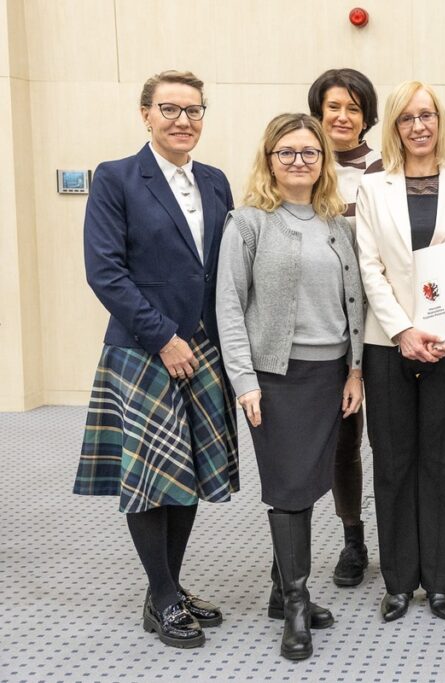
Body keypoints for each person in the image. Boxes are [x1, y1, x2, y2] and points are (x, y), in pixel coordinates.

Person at [74, 70, 238, 649]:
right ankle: (163, 596)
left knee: (185, 471)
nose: (183, 120)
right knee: (150, 476)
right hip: (146, 350)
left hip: (204, 348)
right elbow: (106, 272)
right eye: (169, 109)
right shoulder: (117, 178)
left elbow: (220, 272)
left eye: (194, 110)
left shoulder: (216, 182)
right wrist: (164, 337)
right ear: (145, 114)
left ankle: (167, 586)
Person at [216, 113, 365, 660]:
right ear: (269, 159)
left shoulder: (336, 224)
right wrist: (245, 380)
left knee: (308, 483)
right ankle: (297, 604)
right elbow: (229, 305)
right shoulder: (249, 221)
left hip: (330, 377)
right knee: (288, 488)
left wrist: (354, 370)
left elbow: (356, 304)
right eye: (287, 152)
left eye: (310, 152)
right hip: (276, 379)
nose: (299, 161)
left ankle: (283, 592)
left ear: (324, 161)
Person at [356, 81, 445, 622]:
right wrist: (403, 331)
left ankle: (438, 582)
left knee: (441, 464)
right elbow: (369, 268)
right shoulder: (372, 189)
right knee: (392, 463)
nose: (418, 126)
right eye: (407, 117)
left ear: (440, 122)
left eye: (427, 115)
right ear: (394, 126)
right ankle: (397, 581)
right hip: (388, 343)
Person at [307, 67, 383, 588]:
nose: (342, 116)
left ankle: (403, 535)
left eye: (353, 108)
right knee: (342, 438)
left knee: (394, 437)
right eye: (334, 106)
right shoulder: (301, 166)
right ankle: (353, 538)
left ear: (367, 118)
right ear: (318, 112)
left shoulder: (384, 170)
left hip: (383, 324)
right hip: (329, 328)